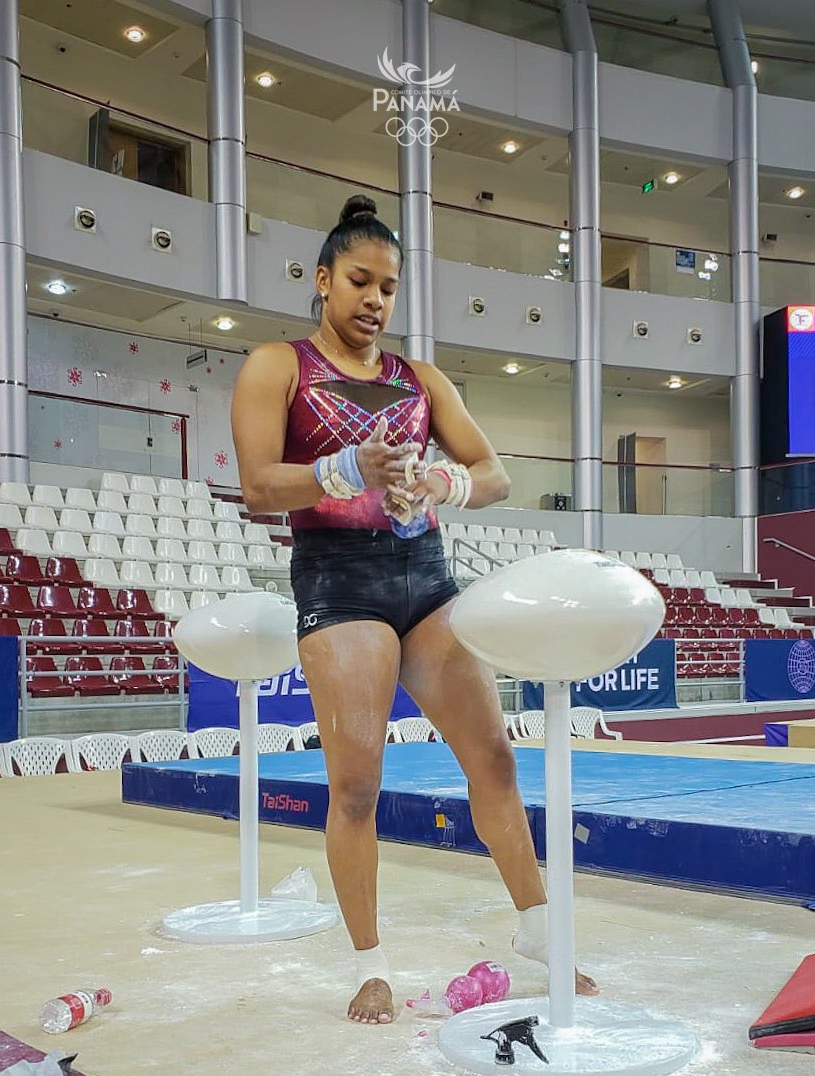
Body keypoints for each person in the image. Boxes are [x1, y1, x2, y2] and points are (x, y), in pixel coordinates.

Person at [231, 194, 598, 1025]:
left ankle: (541, 929)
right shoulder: (277, 366)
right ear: (323, 280)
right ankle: (370, 965)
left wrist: (447, 482)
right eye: (359, 280)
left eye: (388, 288)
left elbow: (494, 471)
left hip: (426, 578)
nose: (374, 300)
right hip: (339, 581)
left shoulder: (418, 379)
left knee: (495, 761)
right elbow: (257, 484)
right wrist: (344, 470)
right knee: (356, 785)